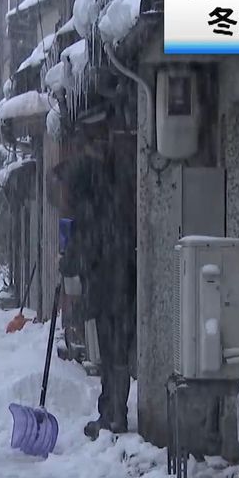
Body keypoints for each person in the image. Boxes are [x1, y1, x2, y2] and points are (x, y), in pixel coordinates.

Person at [60, 136, 137, 441]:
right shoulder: (111, 204)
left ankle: (113, 416)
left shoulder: (89, 214)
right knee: (116, 354)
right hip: (122, 288)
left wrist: (65, 263)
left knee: (112, 354)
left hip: (109, 291)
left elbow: (81, 256)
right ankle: (112, 413)